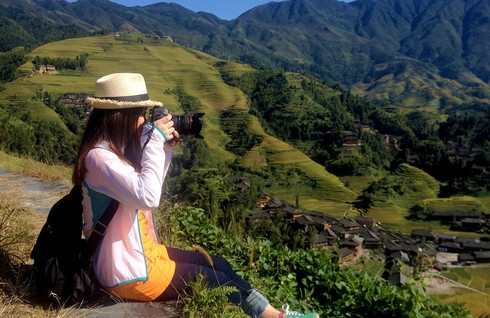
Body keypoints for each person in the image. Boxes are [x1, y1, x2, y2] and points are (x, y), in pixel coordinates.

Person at [73, 72, 319, 318]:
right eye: (140, 114)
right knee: (213, 279)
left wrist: (164, 148)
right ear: (120, 118)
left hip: (142, 253)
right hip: (125, 272)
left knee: (218, 264)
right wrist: (154, 141)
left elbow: (151, 187)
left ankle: (278, 314)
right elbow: (148, 197)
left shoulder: (114, 153)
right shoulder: (100, 158)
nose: (144, 121)